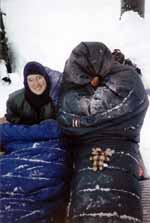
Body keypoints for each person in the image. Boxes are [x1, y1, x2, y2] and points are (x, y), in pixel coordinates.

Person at [57, 42, 149, 223]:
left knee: (117, 195)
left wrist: (85, 123)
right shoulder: (72, 87)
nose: (91, 82)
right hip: (88, 150)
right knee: (87, 198)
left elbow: (92, 112)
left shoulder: (126, 77)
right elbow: (67, 118)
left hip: (121, 142)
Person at [0, 61, 71, 223]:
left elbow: (63, 128)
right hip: (23, 145)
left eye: (39, 78)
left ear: (45, 78)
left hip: (53, 146)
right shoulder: (16, 100)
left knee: (48, 175)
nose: (36, 83)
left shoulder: (59, 98)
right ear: (26, 81)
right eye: (31, 79)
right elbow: (10, 123)